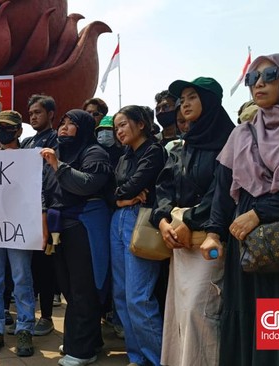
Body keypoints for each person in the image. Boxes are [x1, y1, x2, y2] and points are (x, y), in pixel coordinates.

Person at [200, 53, 279, 365]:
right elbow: (223, 191)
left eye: (271, 75)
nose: (259, 83)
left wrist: (259, 213)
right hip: (247, 245)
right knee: (250, 318)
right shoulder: (241, 134)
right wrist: (214, 233)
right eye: (252, 78)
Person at [151, 77, 234, 366]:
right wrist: (162, 221)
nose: (183, 104)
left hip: (210, 242)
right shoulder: (183, 144)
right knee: (179, 313)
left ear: (209, 101)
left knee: (202, 312)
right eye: (182, 98)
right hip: (179, 240)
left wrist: (189, 218)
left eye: (192, 97)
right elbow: (164, 188)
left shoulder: (230, 140)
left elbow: (223, 191)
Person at [41, 109, 113, 366]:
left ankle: (82, 351)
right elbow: (48, 191)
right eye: (62, 123)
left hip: (86, 225)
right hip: (62, 227)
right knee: (70, 287)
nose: (64, 127)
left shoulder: (94, 153)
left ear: (83, 129)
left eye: (71, 124)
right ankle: (83, 340)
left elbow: (87, 184)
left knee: (85, 286)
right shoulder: (57, 154)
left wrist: (58, 166)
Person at [109, 105, 166, 366]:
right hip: (119, 219)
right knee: (121, 295)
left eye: (122, 124)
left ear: (140, 124)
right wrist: (121, 199)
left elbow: (135, 184)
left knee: (138, 297)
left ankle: (157, 359)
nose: (118, 131)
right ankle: (137, 357)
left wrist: (123, 194)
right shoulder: (124, 157)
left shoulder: (154, 152)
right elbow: (113, 189)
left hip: (141, 221)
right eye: (116, 127)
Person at [0, 111, 36, 357]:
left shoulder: (30, 158)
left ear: (18, 131)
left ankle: (24, 329)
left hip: (20, 228)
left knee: (22, 278)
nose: (2, 131)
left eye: (7, 127)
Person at [21, 94, 59, 336]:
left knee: (47, 267)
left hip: (51, 212)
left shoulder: (58, 140)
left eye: (38, 112)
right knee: (29, 267)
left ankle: (46, 316)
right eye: (31, 113)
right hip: (26, 212)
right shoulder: (26, 143)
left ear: (51, 114)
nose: (33, 116)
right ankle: (28, 315)